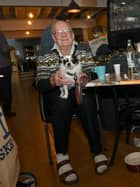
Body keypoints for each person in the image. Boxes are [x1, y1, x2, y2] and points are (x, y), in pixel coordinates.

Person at [36, 20, 109, 185]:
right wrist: (53, 80)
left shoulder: (83, 48)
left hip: (80, 88)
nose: (63, 35)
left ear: (72, 34)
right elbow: (39, 84)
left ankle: (97, 151)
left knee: (87, 102)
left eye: (66, 31)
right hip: (57, 93)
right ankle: (62, 156)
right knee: (61, 104)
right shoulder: (44, 53)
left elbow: (93, 72)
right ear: (53, 37)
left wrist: (86, 76)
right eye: (59, 32)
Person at [0, 31, 16, 118]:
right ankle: (7, 113)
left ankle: (3, 113)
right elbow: (4, 49)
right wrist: (10, 47)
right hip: (3, 68)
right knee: (6, 90)